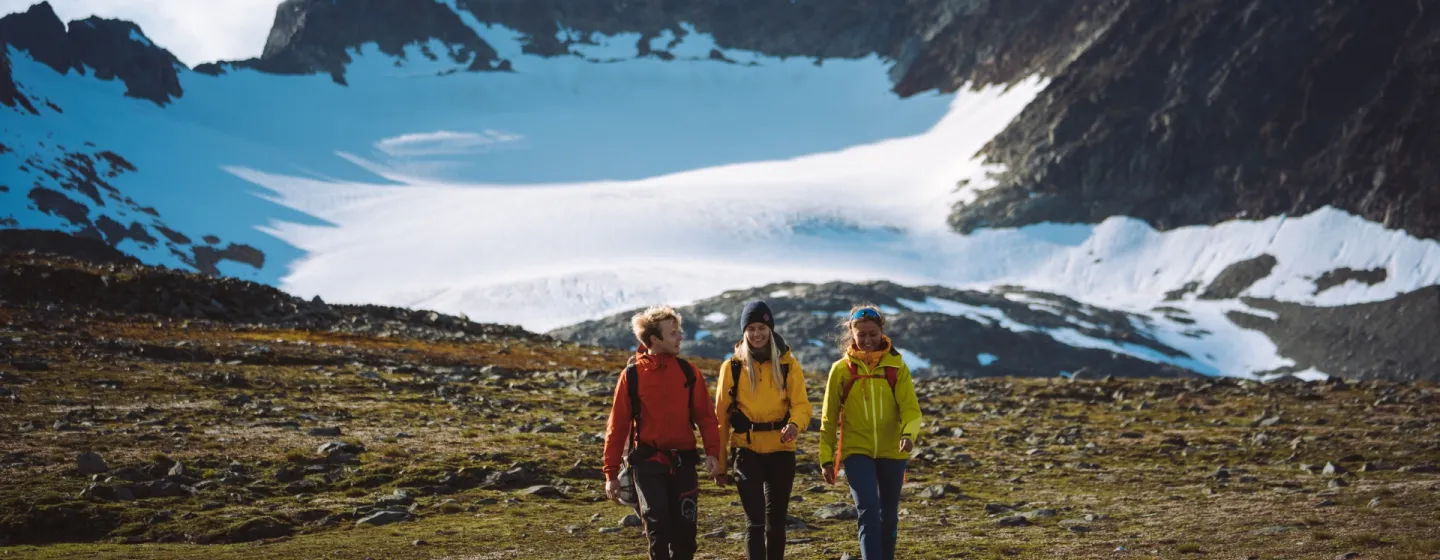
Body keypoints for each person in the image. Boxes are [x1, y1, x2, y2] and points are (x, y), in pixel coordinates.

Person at [603, 305, 724, 560]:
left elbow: (706, 418)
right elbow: (617, 426)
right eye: (673, 333)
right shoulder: (632, 376)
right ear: (655, 339)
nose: (680, 337)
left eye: (679, 332)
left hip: (684, 462)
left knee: (686, 534)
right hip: (647, 464)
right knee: (658, 530)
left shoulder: (688, 372)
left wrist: (713, 453)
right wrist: (611, 473)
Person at [817, 305, 922, 560]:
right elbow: (828, 418)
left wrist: (908, 436)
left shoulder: (896, 367)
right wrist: (826, 458)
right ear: (851, 332)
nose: (867, 340)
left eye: (872, 334)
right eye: (861, 334)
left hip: (892, 451)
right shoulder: (841, 370)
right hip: (856, 451)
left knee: (889, 515)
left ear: (881, 332)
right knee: (868, 511)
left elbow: (911, 409)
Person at [714, 301, 813, 560]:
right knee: (755, 522)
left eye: (762, 327)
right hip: (746, 451)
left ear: (770, 329)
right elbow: (721, 418)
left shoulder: (788, 364)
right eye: (751, 328)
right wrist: (721, 465)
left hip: (782, 450)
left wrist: (794, 425)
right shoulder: (732, 367)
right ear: (744, 331)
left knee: (776, 522)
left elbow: (802, 405)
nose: (757, 333)